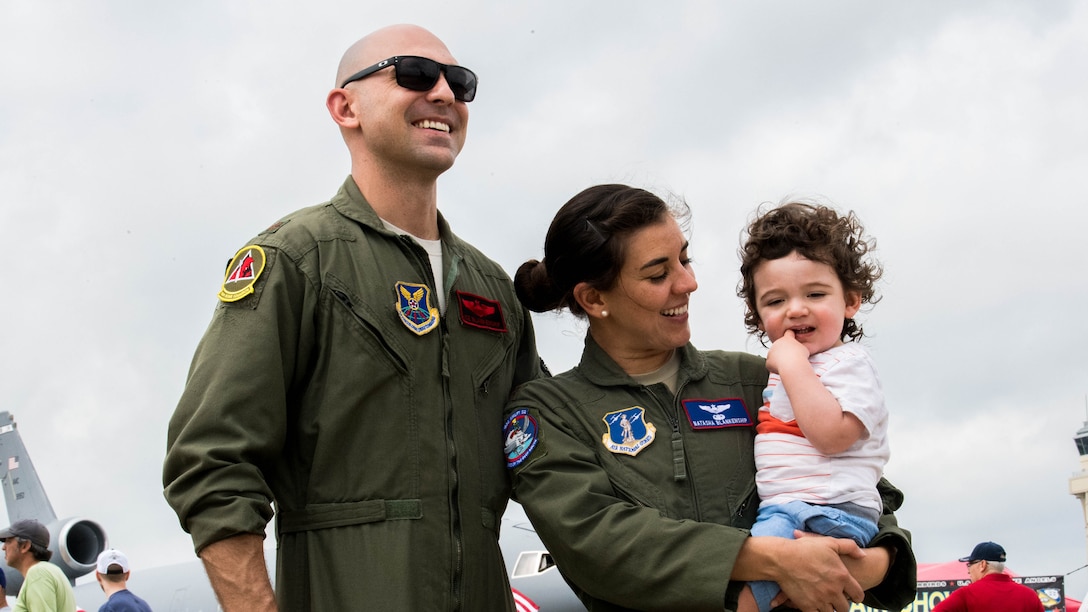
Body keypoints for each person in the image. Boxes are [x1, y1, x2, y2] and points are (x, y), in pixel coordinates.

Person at [162, 24, 542, 611]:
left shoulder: (493, 290)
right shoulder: (296, 260)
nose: (445, 93)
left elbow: (551, 460)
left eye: (460, 82)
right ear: (346, 107)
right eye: (415, 73)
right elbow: (211, 461)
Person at [504, 184, 915, 612]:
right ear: (593, 298)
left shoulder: (759, 379)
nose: (689, 283)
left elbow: (861, 485)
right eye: (658, 274)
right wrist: (775, 560)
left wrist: (873, 563)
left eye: (684, 259)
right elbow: (597, 541)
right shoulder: (549, 414)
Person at [738, 201, 888, 612]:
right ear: (758, 316)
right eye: (775, 301)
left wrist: (792, 365)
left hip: (825, 508)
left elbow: (833, 436)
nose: (796, 309)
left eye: (815, 294)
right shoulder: (796, 367)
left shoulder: (850, 365)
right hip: (795, 508)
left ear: (851, 301)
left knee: (748, 595)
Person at [932, 542, 1044, 612]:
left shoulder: (966, 594)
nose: (968, 570)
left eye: (970, 564)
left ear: (982, 564)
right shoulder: (1029, 596)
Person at [0, 519, 77, 612]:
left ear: (25, 546)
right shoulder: (52, 570)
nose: (3, 547)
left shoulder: (37, 573)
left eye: (8, 542)